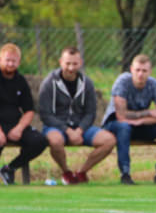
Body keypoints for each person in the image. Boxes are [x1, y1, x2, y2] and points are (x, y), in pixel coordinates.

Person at [38, 47, 116, 184]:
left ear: (80, 63)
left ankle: (81, 172)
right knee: (55, 141)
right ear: (61, 62)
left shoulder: (87, 83)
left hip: (81, 127)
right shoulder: (49, 83)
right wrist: (68, 131)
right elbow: (46, 115)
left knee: (109, 140)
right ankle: (66, 172)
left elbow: (90, 112)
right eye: (67, 63)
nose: (71, 67)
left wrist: (79, 130)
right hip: (56, 127)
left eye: (74, 64)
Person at [102, 54, 156, 185]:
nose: (140, 74)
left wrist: (140, 121)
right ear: (131, 69)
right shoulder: (122, 82)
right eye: (137, 70)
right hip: (116, 124)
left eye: (144, 71)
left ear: (150, 71)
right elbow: (121, 116)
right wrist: (149, 113)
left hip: (140, 124)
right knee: (124, 127)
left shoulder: (154, 84)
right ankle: (125, 173)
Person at [0, 43, 47, 184]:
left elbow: (29, 111)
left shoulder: (21, 81)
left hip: (14, 124)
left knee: (39, 141)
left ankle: (10, 168)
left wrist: (19, 128)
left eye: (13, 61)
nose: (10, 63)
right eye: (7, 60)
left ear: (18, 62)